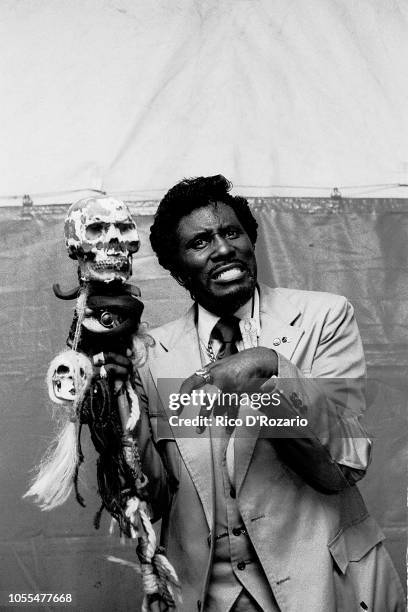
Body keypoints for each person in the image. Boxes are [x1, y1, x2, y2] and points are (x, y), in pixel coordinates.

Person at [112, 175, 404, 611]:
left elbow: (340, 469)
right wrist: (114, 401)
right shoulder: (152, 356)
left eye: (232, 233)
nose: (223, 249)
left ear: (251, 240)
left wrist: (271, 369)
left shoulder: (323, 318)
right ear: (176, 269)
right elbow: (152, 497)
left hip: (322, 587)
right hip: (209, 597)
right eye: (201, 242)